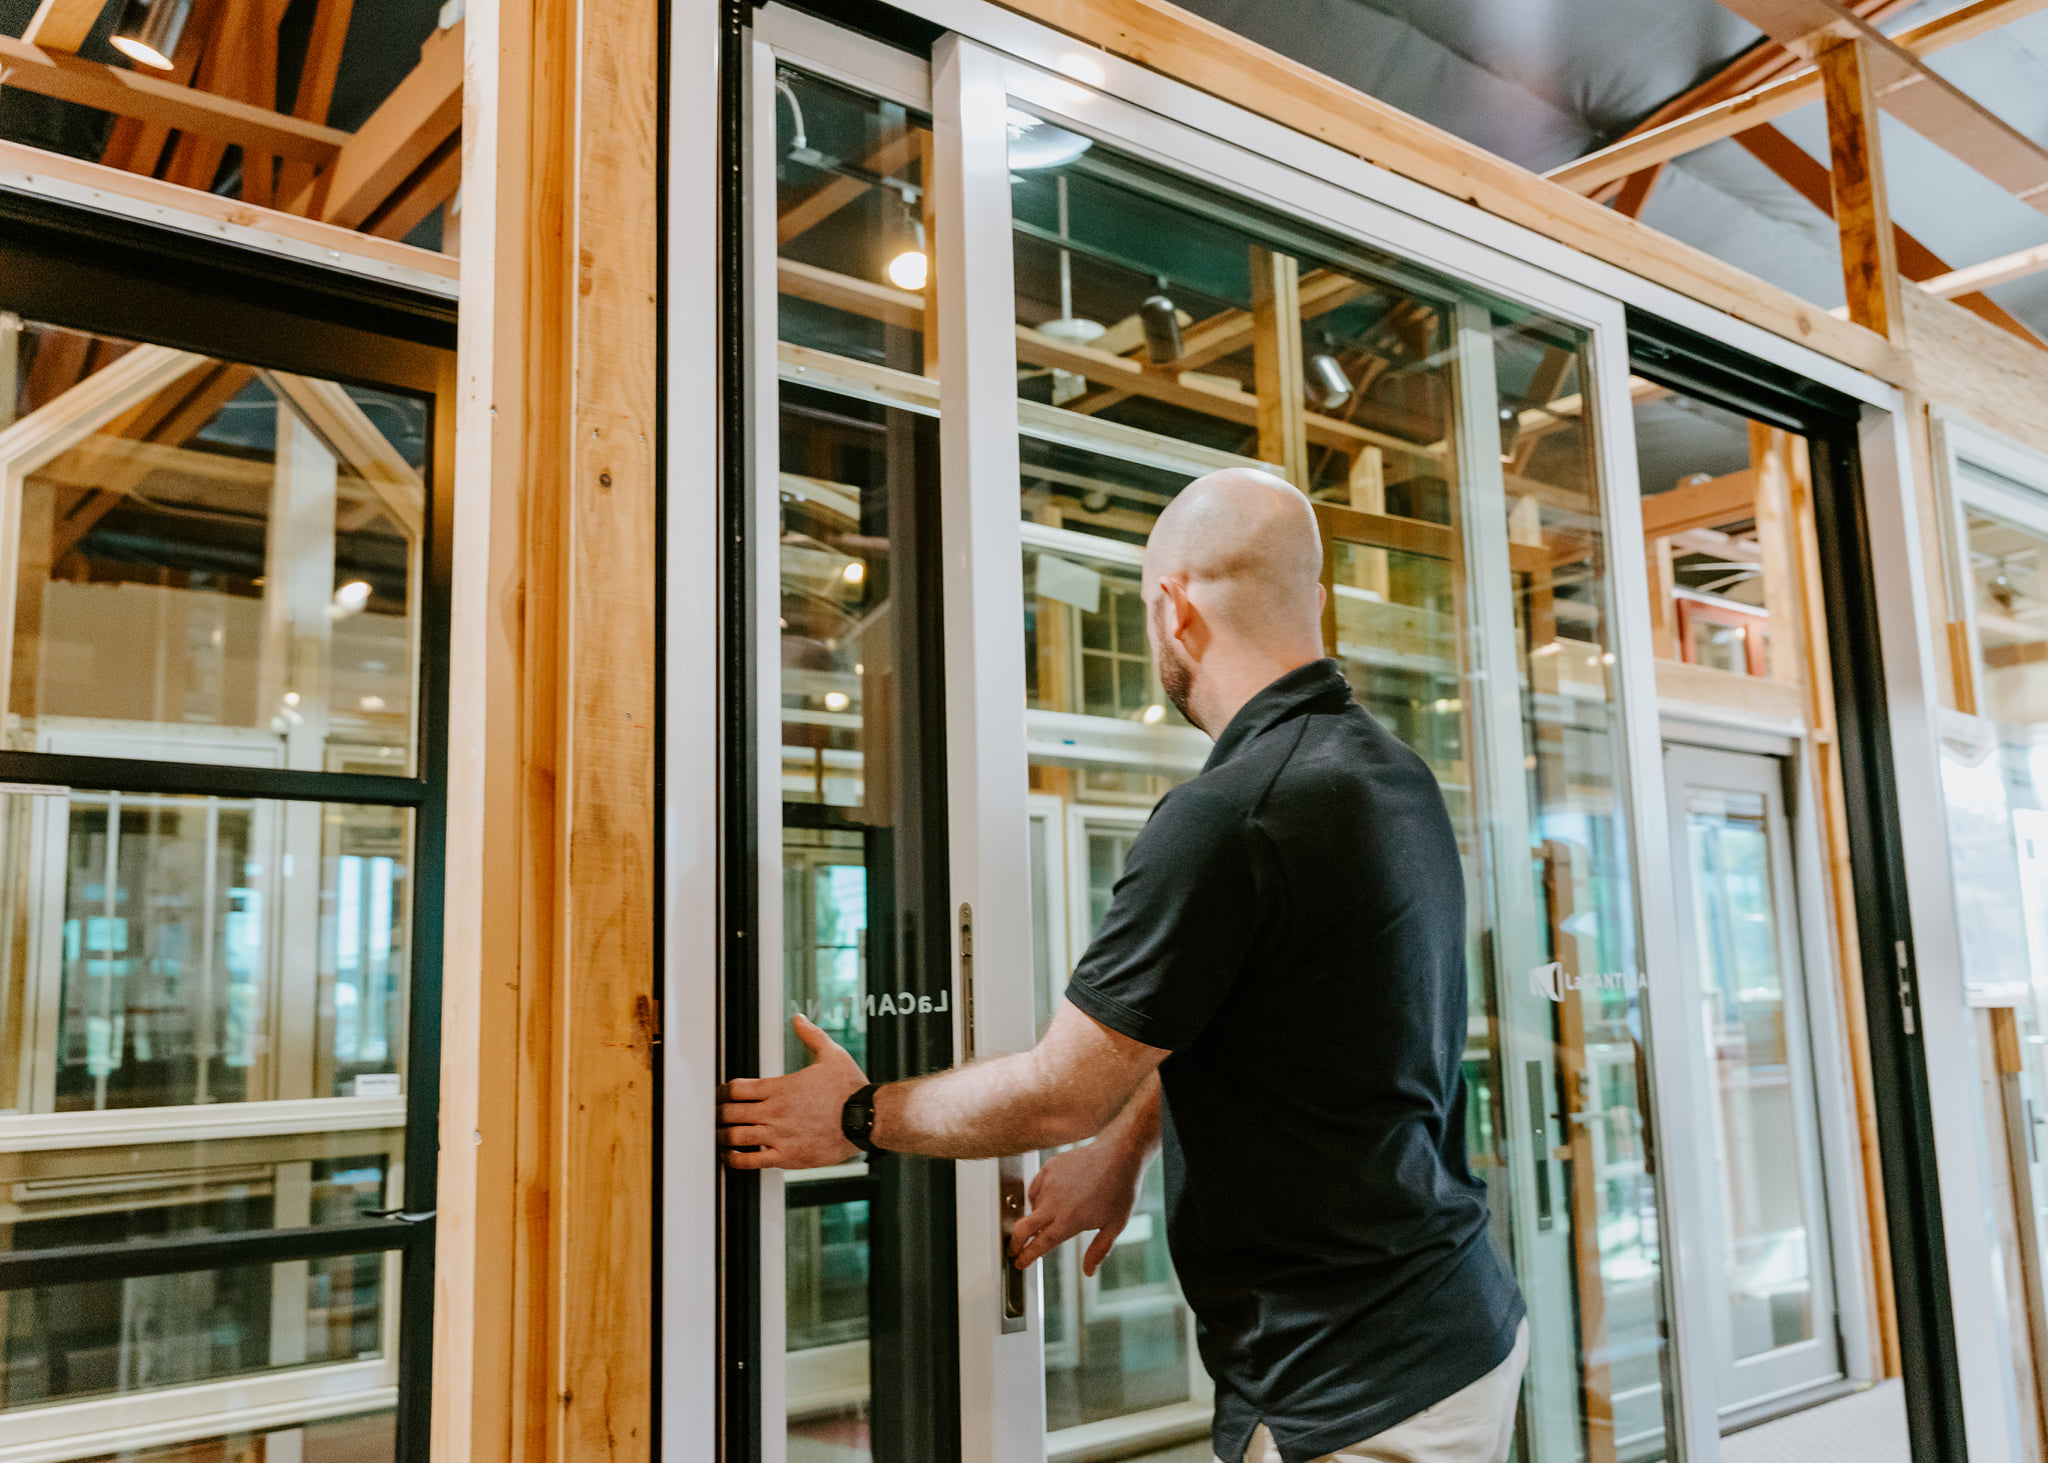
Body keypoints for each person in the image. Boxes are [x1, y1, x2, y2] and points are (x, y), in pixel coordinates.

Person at [719, 468, 1527, 1463]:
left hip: (1355, 1384)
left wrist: (854, 1114)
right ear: (1311, 601)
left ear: (1172, 607)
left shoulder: (1234, 813)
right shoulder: (1388, 775)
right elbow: (1254, 1014)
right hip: (1453, 1324)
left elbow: (1061, 1092)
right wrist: (1124, 1148)